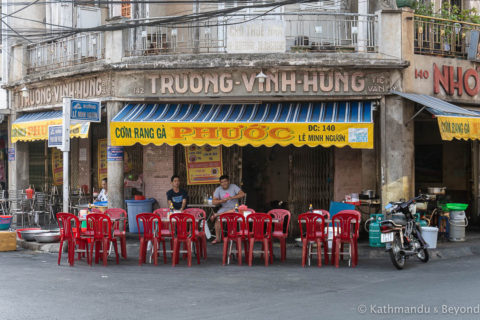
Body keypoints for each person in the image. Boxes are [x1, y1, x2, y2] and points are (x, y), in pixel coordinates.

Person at [210, 175, 245, 244]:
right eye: (222, 182)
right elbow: (214, 201)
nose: (224, 183)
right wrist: (222, 201)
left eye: (225, 181)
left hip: (235, 208)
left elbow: (242, 194)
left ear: (228, 181)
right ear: (220, 183)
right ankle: (217, 238)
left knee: (234, 215)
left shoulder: (234, 186)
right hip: (224, 209)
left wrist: (232, 197)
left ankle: (239, 236)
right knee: (218, 220)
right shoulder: (218, 189)